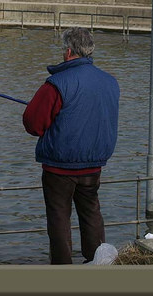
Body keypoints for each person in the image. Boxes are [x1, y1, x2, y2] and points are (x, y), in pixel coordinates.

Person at [22, 27, 120, 264]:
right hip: (93, 166)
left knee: (59, 218)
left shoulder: (56, 84)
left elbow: (33, 124)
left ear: (68, 52)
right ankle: (98, 263)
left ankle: (63, 270)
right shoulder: (110, 82)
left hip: (59, 168)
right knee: (91, 214)